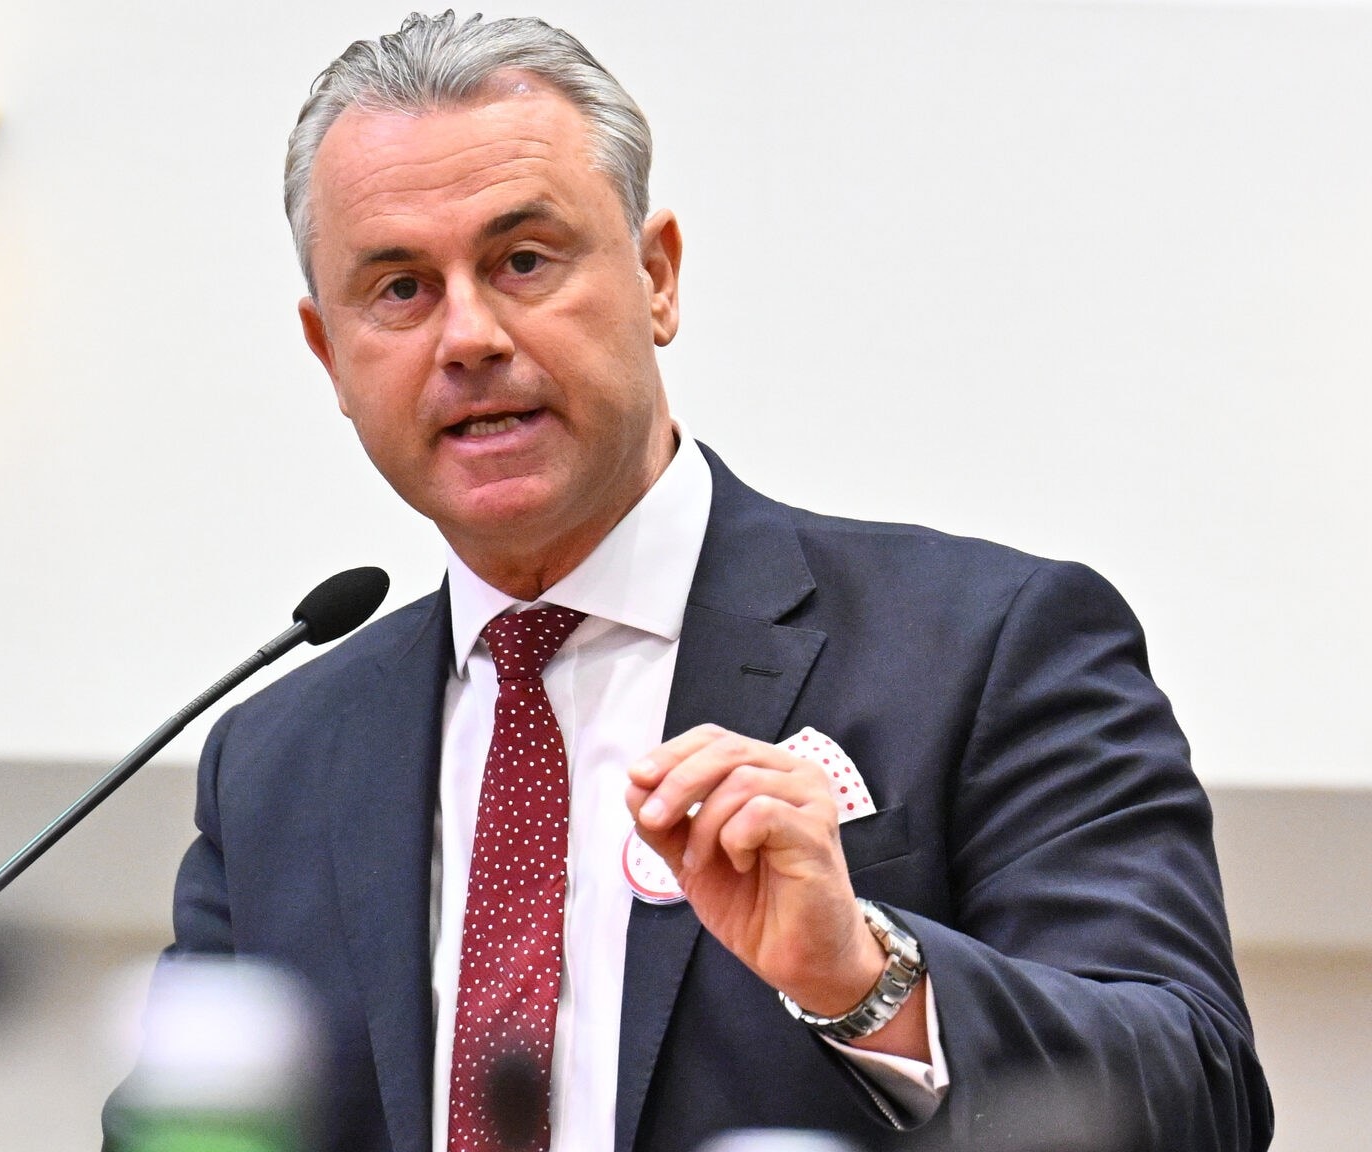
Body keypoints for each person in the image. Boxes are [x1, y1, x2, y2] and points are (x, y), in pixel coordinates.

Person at [132, 12, 1271, 1151]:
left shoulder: (986, 645)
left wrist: (861, 974)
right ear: (328, 354)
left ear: (656, 277)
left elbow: (1195, 1095)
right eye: (399, 288)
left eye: (522, 261)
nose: (467, 335)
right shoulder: (276, 762)